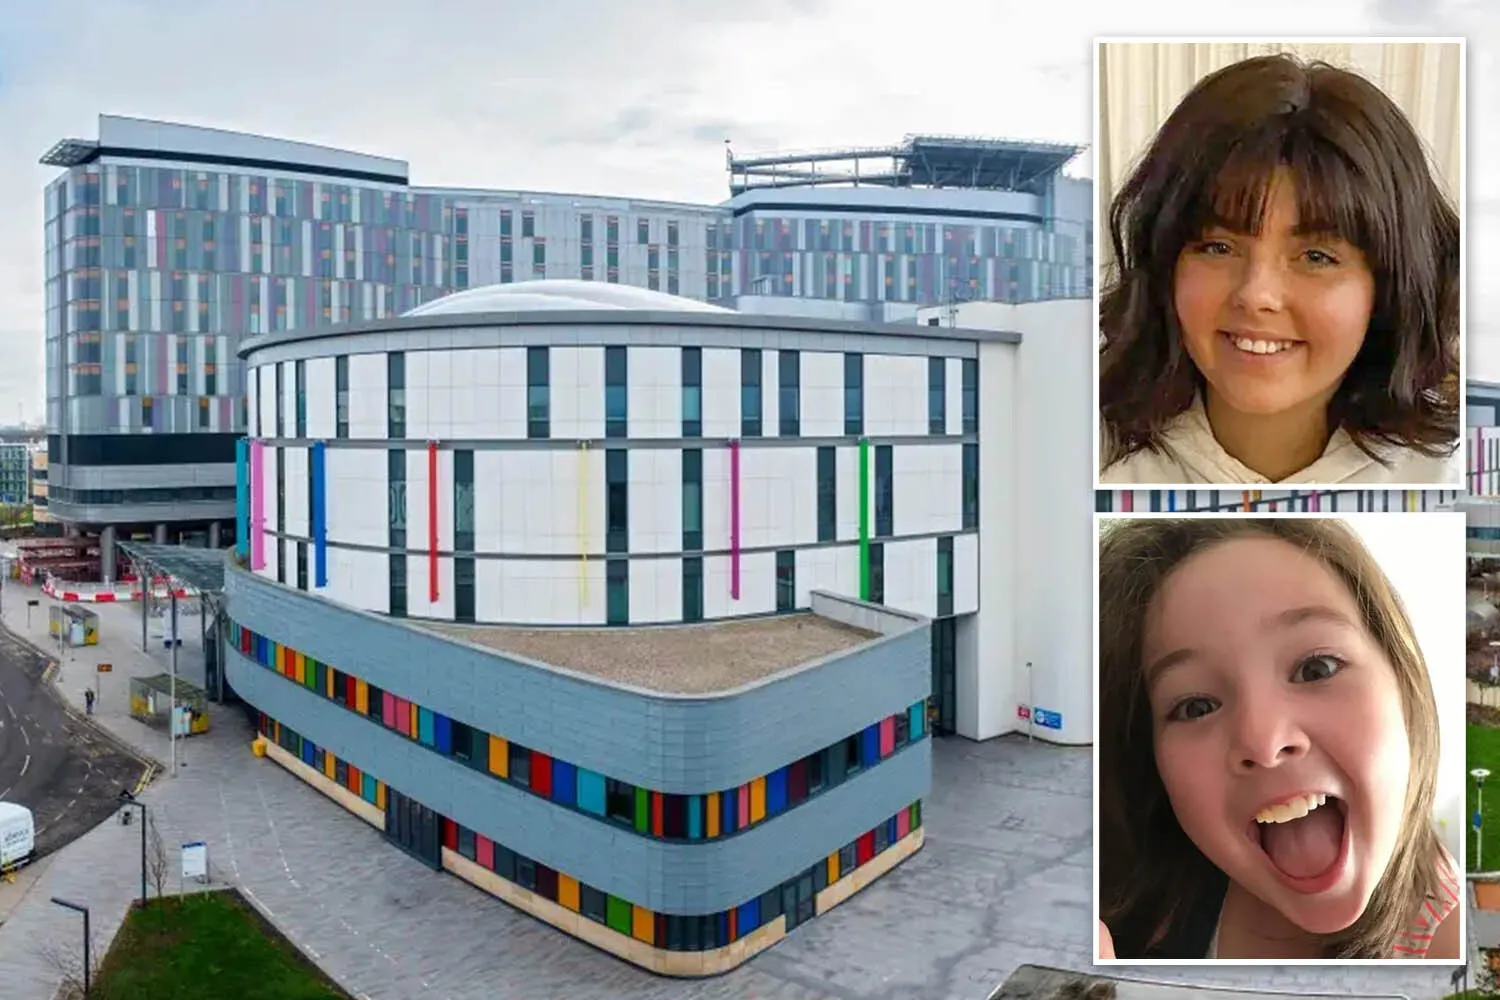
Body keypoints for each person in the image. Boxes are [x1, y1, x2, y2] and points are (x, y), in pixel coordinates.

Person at [1095, 518, 1459, 959]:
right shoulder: (1130, 897)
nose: (1263, 742)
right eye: (1196, 707)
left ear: (1403, 683)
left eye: (1316, 669)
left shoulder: (1456, 943)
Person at [1098, 53, 1460, 485]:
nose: (1256, 294)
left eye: (1316, 257)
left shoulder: (1450, 475)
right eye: (1218, 246)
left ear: (1390, 287)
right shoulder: (1077, 452)